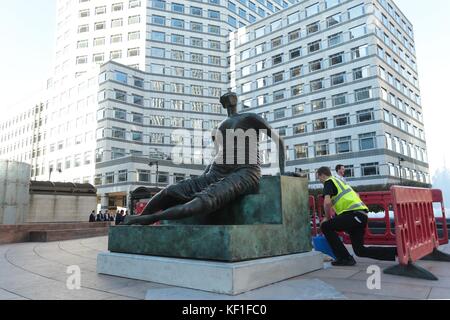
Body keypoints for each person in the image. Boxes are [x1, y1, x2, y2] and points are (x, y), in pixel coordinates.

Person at [123, 92, 285, 225]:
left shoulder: (250, 118)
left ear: (236, 100)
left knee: (204, 201)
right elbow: (216, 156)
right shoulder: (218, 128)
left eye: (231, 96)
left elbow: (279, 141)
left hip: (245, 171)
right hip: (216, 172)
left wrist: (282, 173)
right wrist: (204, 177)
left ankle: (150, 219)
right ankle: (139, 218)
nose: (229, 98)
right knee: (170, 191)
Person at [318, 167, 397, 266]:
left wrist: (327, 218)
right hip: (360, 216)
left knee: (326, 226)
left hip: (353, 215)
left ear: (322, 175)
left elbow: (327, 202)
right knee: (360, 251)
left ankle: (345, 258)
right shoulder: (340, 182)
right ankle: (396, 251)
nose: (319, 180)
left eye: (319, 178)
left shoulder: (328, 181)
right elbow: (356, 195)